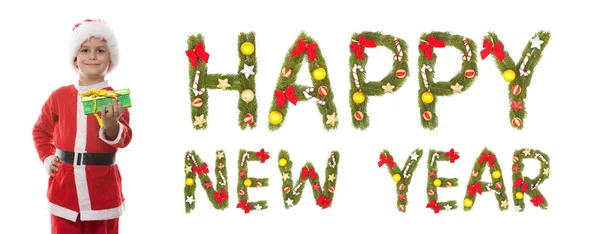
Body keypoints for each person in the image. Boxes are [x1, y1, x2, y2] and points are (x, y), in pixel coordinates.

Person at [32, 19, 132, 234]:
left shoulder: (115, 99)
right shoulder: (59, 96)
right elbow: (40, 130)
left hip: (102, 191)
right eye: (85, 50)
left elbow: (124, 139)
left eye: (100, 50)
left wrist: (111, 123)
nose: (92, 56)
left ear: (111, 59)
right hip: (64, 190)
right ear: (75, 59)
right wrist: (48, 157)